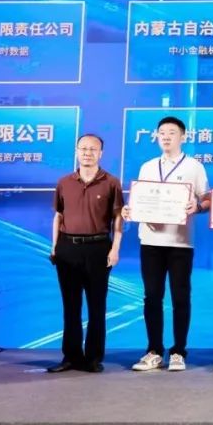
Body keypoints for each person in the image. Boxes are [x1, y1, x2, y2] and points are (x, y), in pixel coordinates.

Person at [124, 116, 210, 373]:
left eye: (172, 132)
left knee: (180, 297)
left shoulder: (194, 167)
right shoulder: (148, 167)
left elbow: (207, 199)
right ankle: (153, 350)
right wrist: (131, 210)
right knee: (152, 296)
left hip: (180, 242)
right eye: (162, 132)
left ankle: (179, 351)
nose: (166, 136)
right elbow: (140, 199)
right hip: (150, 240)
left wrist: (197, 206)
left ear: (183, 137)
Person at [48, 134, 123, 374]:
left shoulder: (111, 182)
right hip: (67, 248)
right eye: (83, 148)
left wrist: (115, 248)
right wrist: (54, 246)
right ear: (76, 151)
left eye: (93, 149)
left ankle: (93, 358)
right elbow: (58, 215)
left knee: (96, 306)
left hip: (98, 248)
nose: (87, 153)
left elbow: (118, 218)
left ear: (101, 153)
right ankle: (71, 357)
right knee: (70, 306)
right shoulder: (64, 182)